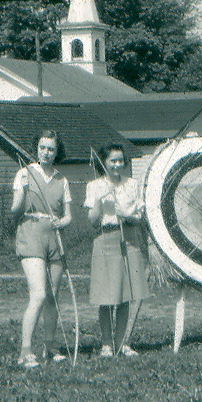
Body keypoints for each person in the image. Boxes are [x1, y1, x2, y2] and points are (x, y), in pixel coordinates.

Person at [9, 130, 73, 368]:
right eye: (42, 148)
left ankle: (49, 347)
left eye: (51, 149)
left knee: (53, 298)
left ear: (57, 152)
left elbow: (68, 217)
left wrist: (62, 222)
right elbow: (14, 209)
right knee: (39, 294)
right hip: (31, 234)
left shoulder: (62, 180)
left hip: (54, 238)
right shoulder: (24, 173)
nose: (46, 153)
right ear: (36, 148)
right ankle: (25, 351)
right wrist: (23, 191)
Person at [84, 143, 150, 357]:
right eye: (113, 160)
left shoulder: (132, 184)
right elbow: (93, 222)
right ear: (104, 162)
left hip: (129, 238)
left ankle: (122, 343)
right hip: (105, 239)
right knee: (106, 296)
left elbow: (140, 217)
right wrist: (99, 201)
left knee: (125, 294)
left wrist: (127, 214)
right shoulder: (94, 185)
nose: (117, 165)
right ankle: (106, 344)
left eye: (121, 160)